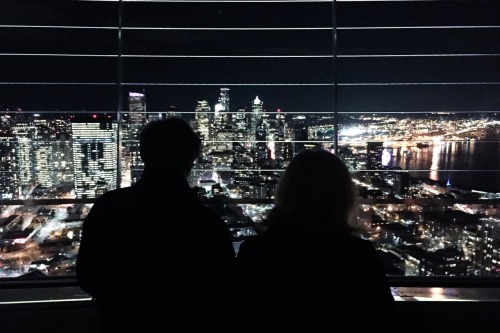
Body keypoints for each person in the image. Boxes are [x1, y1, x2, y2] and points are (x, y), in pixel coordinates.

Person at [76, 117, 236, 332]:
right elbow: (222, 287)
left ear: (142, 154)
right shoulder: (204, 221)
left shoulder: (109, 207)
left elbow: (88, 275)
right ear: (194, 155)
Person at [236, 149, 395, 332]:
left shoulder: (256, 253)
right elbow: (382, 320)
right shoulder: (359, 256)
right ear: (343, 197)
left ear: (285, 192)